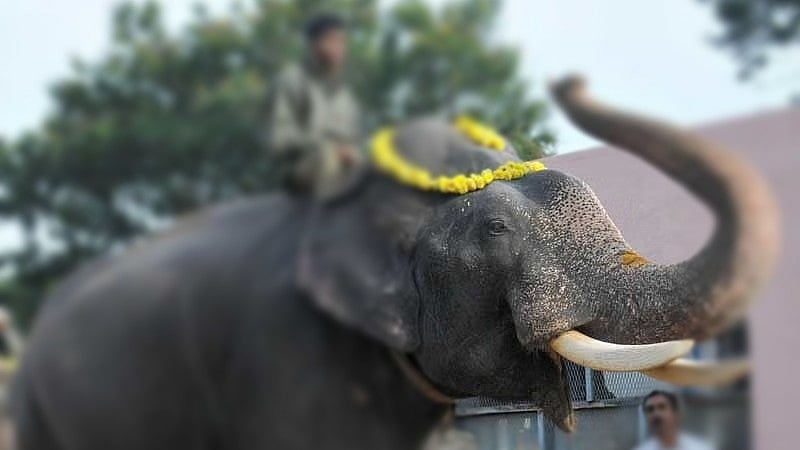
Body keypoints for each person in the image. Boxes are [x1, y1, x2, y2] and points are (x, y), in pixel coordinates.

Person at [266, 13, 361, 197]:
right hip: (303, 166)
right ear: (314, 44)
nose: (339, 48)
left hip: (345, 163)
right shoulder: (291, 81)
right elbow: (280, 138)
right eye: (331, 41)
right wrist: (329, 146)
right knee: (328, 157)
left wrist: (354, 155)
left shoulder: (345, 93)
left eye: (342, 42)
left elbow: (354, 139)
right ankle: (327, 221)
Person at [634, 390, 713, 450]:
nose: (656, 414)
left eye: (662, 407)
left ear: (676, 415)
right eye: (650, 409)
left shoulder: (699, 447)